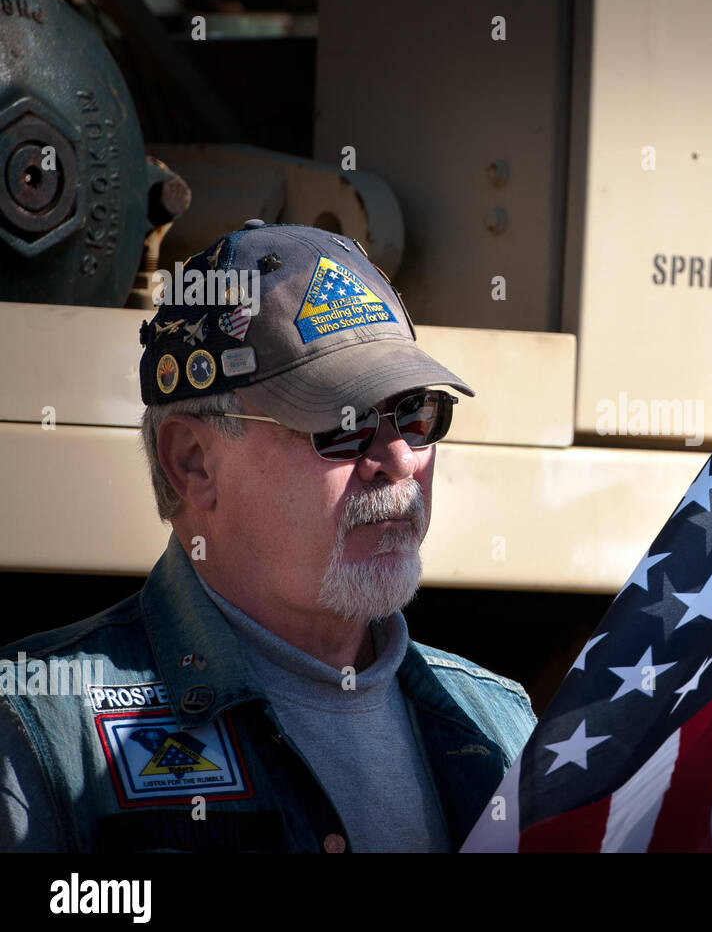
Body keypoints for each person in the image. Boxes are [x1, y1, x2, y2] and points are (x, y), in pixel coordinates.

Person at [0, 220, 537, 852]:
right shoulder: (42, 725)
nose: (399, 459)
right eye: (345, 421)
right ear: (195, 462)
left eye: (418, 414)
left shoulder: (502, 724)